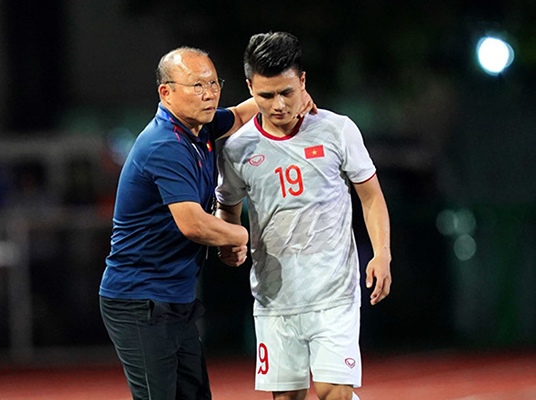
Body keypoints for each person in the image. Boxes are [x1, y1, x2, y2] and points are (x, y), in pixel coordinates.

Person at [99, 46, 315, 400]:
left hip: (174, 297)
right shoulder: (164, 143)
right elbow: (193, 224)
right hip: (140, 300)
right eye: (197, 85)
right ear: (166, 92)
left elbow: (244, 112)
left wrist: (292, 96)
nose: (210, 93)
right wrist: (242, 235)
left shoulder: (198, 127)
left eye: (214, 83)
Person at [215, 32, 392, 400]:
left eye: (287, 92)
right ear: (250, 89)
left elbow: (371, 196)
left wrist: (382, 253)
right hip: (274, 297)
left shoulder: (337, 130)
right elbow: (228, 205)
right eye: (266, 96)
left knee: (332, 392)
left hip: (334, 292)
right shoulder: (236, 148)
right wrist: (229, 238)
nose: (278, 105)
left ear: (303, 82)